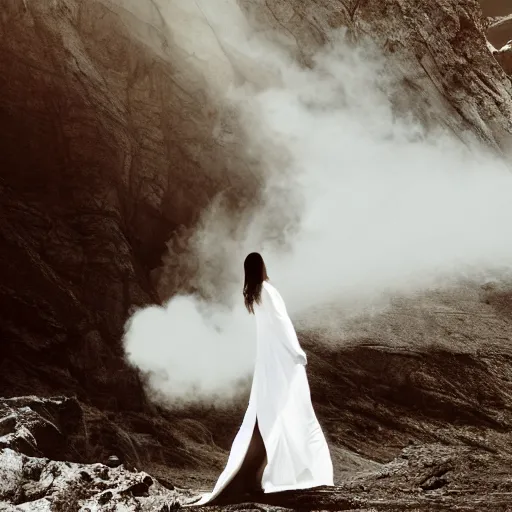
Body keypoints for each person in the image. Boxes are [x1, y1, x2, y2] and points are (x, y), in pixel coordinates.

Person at [195, 252, 334, 505]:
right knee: (295, 409)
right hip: (281, 360)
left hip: (267, 363)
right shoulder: (267, 291)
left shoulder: (252, 296)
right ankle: (297, 471)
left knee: (273, 412)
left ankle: (270, 472)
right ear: (261, 267)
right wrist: (297, 352)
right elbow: (282, 323)